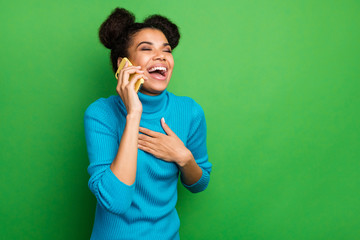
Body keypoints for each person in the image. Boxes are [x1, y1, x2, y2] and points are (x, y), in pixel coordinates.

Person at [84, 7, 212, 240]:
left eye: (167, 50)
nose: (162, 56)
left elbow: (199, 183)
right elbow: (116, 201)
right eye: (146, 49)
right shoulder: (101, 113)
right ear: (124, 64)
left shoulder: (189, 111)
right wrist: (133, 114)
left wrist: (183, 157)